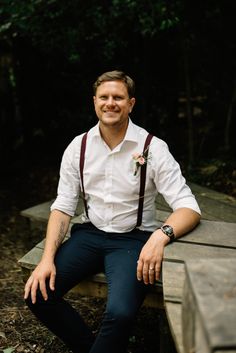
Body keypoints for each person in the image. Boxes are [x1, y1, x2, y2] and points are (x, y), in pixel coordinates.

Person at [24, 70, 201, 353]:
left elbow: (189, 206)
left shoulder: (152, 148)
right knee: (38, 294)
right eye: (104, 97)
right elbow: (63, 206)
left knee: (120, 313)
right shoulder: (77, 147)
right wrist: (47, 259)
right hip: (89, 235)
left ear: (131, 103)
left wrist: (160, 236)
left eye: (118, 97)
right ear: (94, 102)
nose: (110, 103)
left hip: (133, 241)